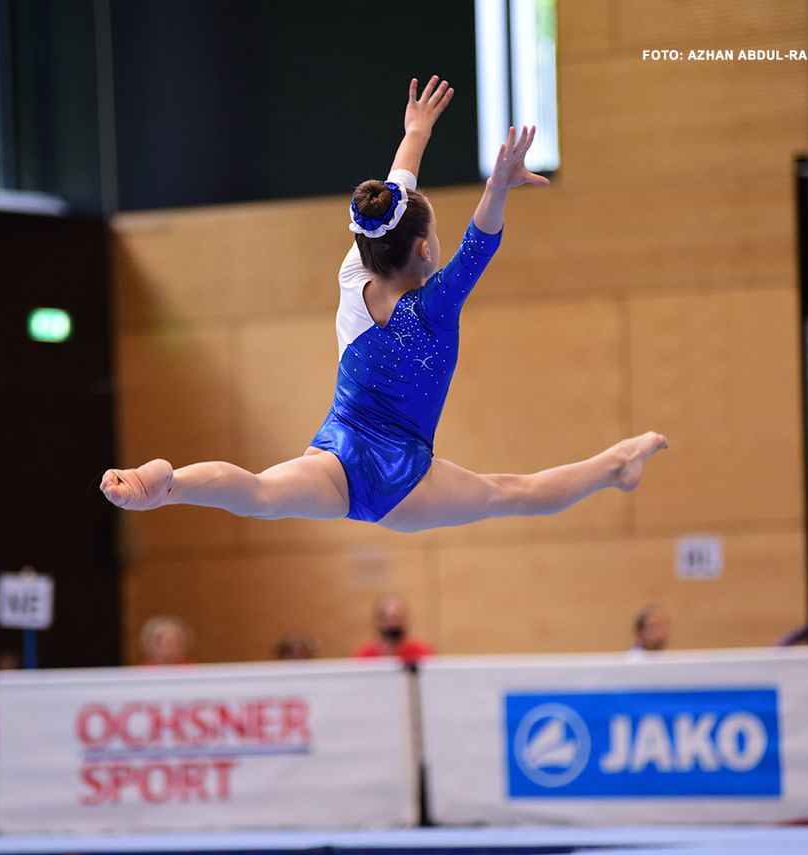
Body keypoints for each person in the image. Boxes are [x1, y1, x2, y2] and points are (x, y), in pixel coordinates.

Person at [101, 76, 667, 532]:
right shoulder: (434, 306)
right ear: (424, 248)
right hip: (406, 481)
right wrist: (495, 186)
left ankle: (169, 484)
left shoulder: (354, 270)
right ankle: (616, 465)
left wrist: (415, 132)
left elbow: (395, 197)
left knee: (258, 492)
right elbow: (478, 243)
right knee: (512, 494)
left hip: (337, 455)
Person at [354, 594, 433, 665]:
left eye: (397, 618)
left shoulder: (420, 652)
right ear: (378, 621)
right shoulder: (366, 655)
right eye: (388, 619)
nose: (392, 624)